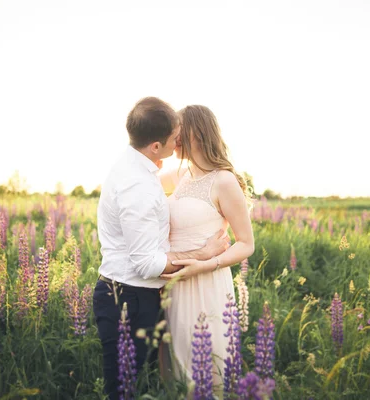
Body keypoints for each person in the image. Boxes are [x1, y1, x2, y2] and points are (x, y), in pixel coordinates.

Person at [92, 97, 229, 400]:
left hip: (149, 295)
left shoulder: (141, 169)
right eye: (174, 137)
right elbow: (147, 263)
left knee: (154, 382)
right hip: (128, 298)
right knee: (123, 390)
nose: (178, 141)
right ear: (156, 145)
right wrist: (203, 255)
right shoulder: (136, 184)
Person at [159, 105, 255, 393]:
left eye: (177, 129)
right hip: (174, 284)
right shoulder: (180, 175)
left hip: (206, 282)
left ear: (196, 133)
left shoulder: (224, 181)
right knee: (174, 371)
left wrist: (206, 264)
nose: (172, 136)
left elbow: (246, 244)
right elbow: (143, 183)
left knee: (206, 370)